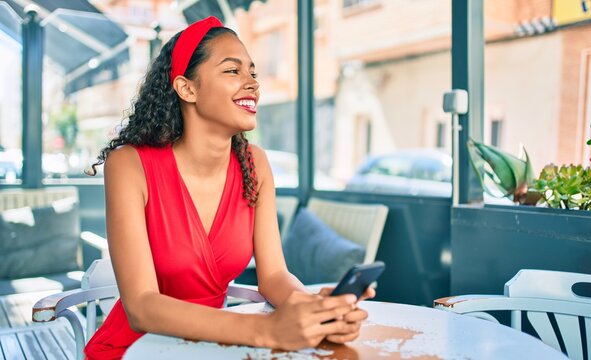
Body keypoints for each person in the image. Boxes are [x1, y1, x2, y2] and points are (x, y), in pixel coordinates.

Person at [84, 16, 374, 359]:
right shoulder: (129, 165)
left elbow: (274, 276)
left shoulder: (256, 164)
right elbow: (141, 307)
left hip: (214, 346)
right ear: (187, 88)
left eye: (253, 72)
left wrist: (312, 310)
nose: (252, 83)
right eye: (232, 71)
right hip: (133, 349)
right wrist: (267, 330)